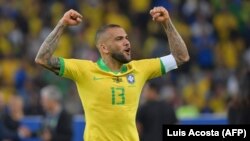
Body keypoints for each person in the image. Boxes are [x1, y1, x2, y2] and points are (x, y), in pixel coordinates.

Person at [35, 6, 189, 141]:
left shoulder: (139, 69)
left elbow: (181, 56)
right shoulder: (85, 70)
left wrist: (166, 23)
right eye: (119, 39)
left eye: (127, 38)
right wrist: (62, 24)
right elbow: (43, 59)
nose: (127, 42)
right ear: (104, 48)